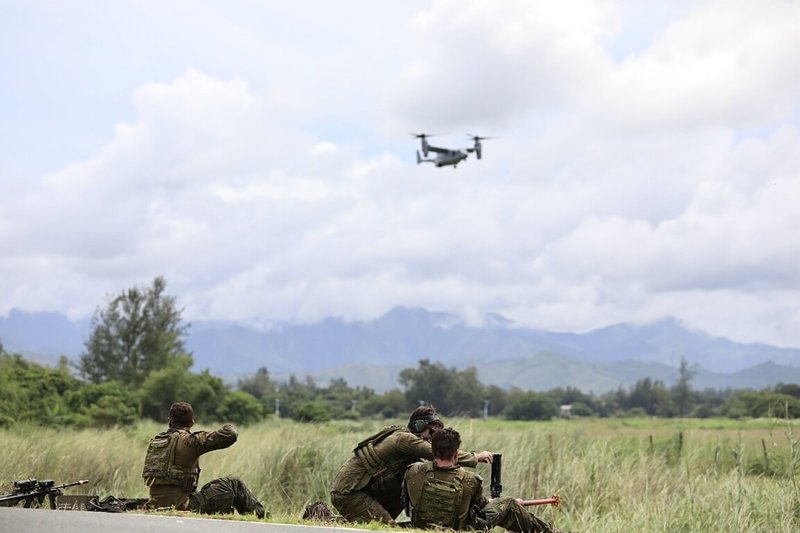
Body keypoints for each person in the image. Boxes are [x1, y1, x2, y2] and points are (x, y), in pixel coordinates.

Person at [330, 406, 493, 524]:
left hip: (363, 489)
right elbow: (436, 453)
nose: (433, 439)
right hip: (349, 492)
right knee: (387, 528)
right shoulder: (404, 439)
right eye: (431, 433)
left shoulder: (409, 448)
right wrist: (476, 457)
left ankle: (328, 521)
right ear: (419, 426)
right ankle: (328, 521)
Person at [403, 427, 569, 533]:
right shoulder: (469, 480)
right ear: (456, 454)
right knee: (509, 503)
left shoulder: (413, 471)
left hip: (422, 525)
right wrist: (499, 501)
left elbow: (407, 503)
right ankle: (551, 532)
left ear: (433, 451)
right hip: (461, 529)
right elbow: (481, 509)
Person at [142, 402, 266, 518]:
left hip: (155, 504)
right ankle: (261, 517)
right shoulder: (189, 442)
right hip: (183, 506)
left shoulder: (156, 442)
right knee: (234, 482)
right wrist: (231, 423)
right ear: (192, 423)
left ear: (169, 422)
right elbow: (231, 434)